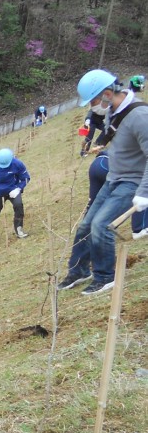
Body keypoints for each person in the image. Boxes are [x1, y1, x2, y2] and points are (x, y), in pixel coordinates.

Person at [59, 69, 148, 295]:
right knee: (86, 226)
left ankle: (105, 277)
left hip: (132, 182)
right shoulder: (113, 112)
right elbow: (124, 141)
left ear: (108, 93)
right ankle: (79, 271)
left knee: (102, 225)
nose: (92, 107)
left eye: (94, 101)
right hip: (113, 179)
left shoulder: (140, 116)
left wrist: (144, 191)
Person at [0, 148, 30, 243]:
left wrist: (18, 188)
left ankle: (19, 228)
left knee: (19, 205)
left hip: (13, 190)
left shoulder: (17, 164)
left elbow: (26, 178)